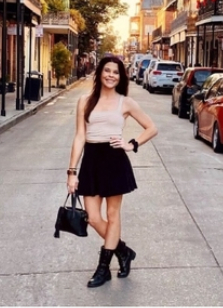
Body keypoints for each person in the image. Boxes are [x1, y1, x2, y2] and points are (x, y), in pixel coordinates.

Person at [67, 56, 157, 288]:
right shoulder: (84, 101)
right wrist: (71, 171)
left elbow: (151, 128)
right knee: (94, 217)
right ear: (99, 73)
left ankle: (103, 268)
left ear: (120, 77)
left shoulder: (125, 102)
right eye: (106, 70)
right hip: (91, 161)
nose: (110, 75)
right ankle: (123, 251)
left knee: (114, 215)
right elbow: (79, 136)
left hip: (115, 161)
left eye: (115, 72)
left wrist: (132, 144)